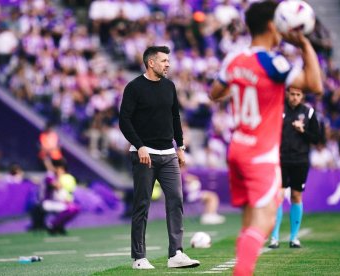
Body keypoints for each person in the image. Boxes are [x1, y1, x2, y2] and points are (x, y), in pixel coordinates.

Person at [209, 1, 323, 275]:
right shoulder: (274, 62)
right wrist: (304, 45)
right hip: (261, 153)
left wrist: (245, 86)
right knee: (266, 219)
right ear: (274, 26)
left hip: (237, 147)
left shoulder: (233, 59)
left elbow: (215, 93)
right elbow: (315, 85)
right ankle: (242, 272)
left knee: (249, 221)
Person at [119, 46, 200, 270]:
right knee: (142, 205)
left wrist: (180, 147)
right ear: (151, 63)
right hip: (144, 155)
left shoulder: (169, 86)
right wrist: (140, 146)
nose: (168, 64)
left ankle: (176, 254)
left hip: (168, 155)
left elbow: (175, 117)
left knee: (176, 200)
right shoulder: (134, 87)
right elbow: (124, 121)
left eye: (168, 60)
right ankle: (138, 257)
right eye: (164, 60)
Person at [268, 87, 320, 249]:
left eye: (298, 95)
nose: (295, 97)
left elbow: (317, 138)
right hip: (280, 159)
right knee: (278, 196)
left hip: (300, 160)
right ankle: (274, 237)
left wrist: (303, 130)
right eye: (292, 94)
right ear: (287, 94)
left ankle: (294, 237)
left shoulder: (309, 113)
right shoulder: (278, 109)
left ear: (302, 96)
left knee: (296, 196)